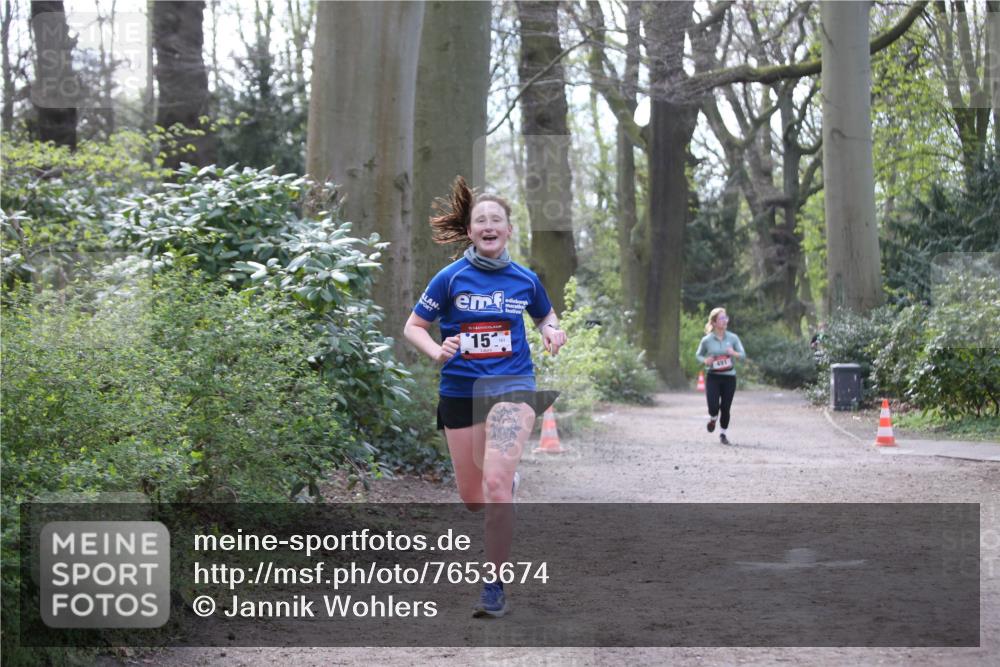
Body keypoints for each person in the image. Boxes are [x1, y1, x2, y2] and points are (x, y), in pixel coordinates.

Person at [403, 176, 568, 618]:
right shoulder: (450, 278)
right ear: (470, 230)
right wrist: (438, 349)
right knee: (473, 497)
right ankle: (504, 484)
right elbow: (413, 327)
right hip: (460, 390)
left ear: (509, 230)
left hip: (512, 386)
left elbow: (544, 314)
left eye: (497, 219)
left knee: (494, 486)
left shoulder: (525, 280)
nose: (489, 225)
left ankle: (493, 585)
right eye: (481, 219)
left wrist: (551, 330)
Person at [695, 307, 746, 445]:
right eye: (721, 319)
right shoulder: (707, 340)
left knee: (725, 407)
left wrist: (733, 353)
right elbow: (698, 355)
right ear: (714, 322)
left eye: (726, 318)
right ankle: (713, 418)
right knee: (713, 406)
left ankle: (723, 434)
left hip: (729, 377)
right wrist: (705, 360)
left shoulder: (733, 338)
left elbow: (743, 355)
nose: (725, 321)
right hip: (713, 376)